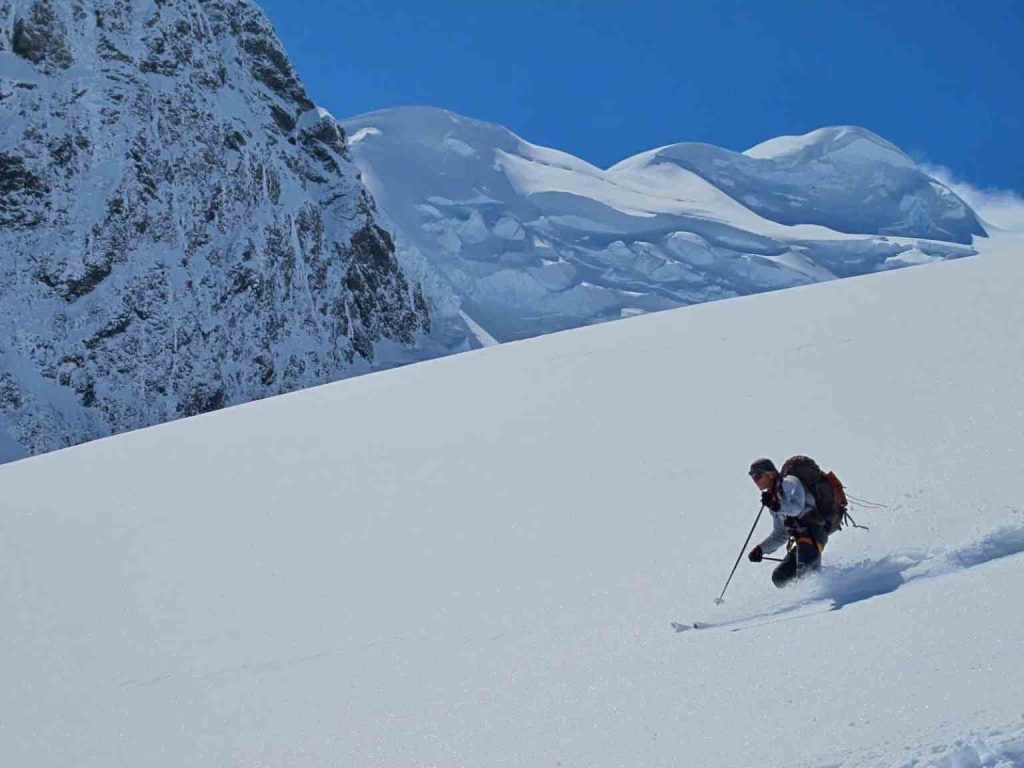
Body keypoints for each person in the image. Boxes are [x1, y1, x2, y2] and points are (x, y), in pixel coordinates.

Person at [746, 458, 827, 587]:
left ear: (770, 474)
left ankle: (818, 600)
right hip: (801, 539)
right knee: (780, 577)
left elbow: (797, 508)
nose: (755, 481)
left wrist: (776, 505)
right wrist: (761, 549)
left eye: (757, 476)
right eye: (753, 477)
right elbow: (780, 534)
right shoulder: (773, 498)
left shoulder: (789, 483)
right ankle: (808, 594)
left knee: (806, 575)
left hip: (814, 533)